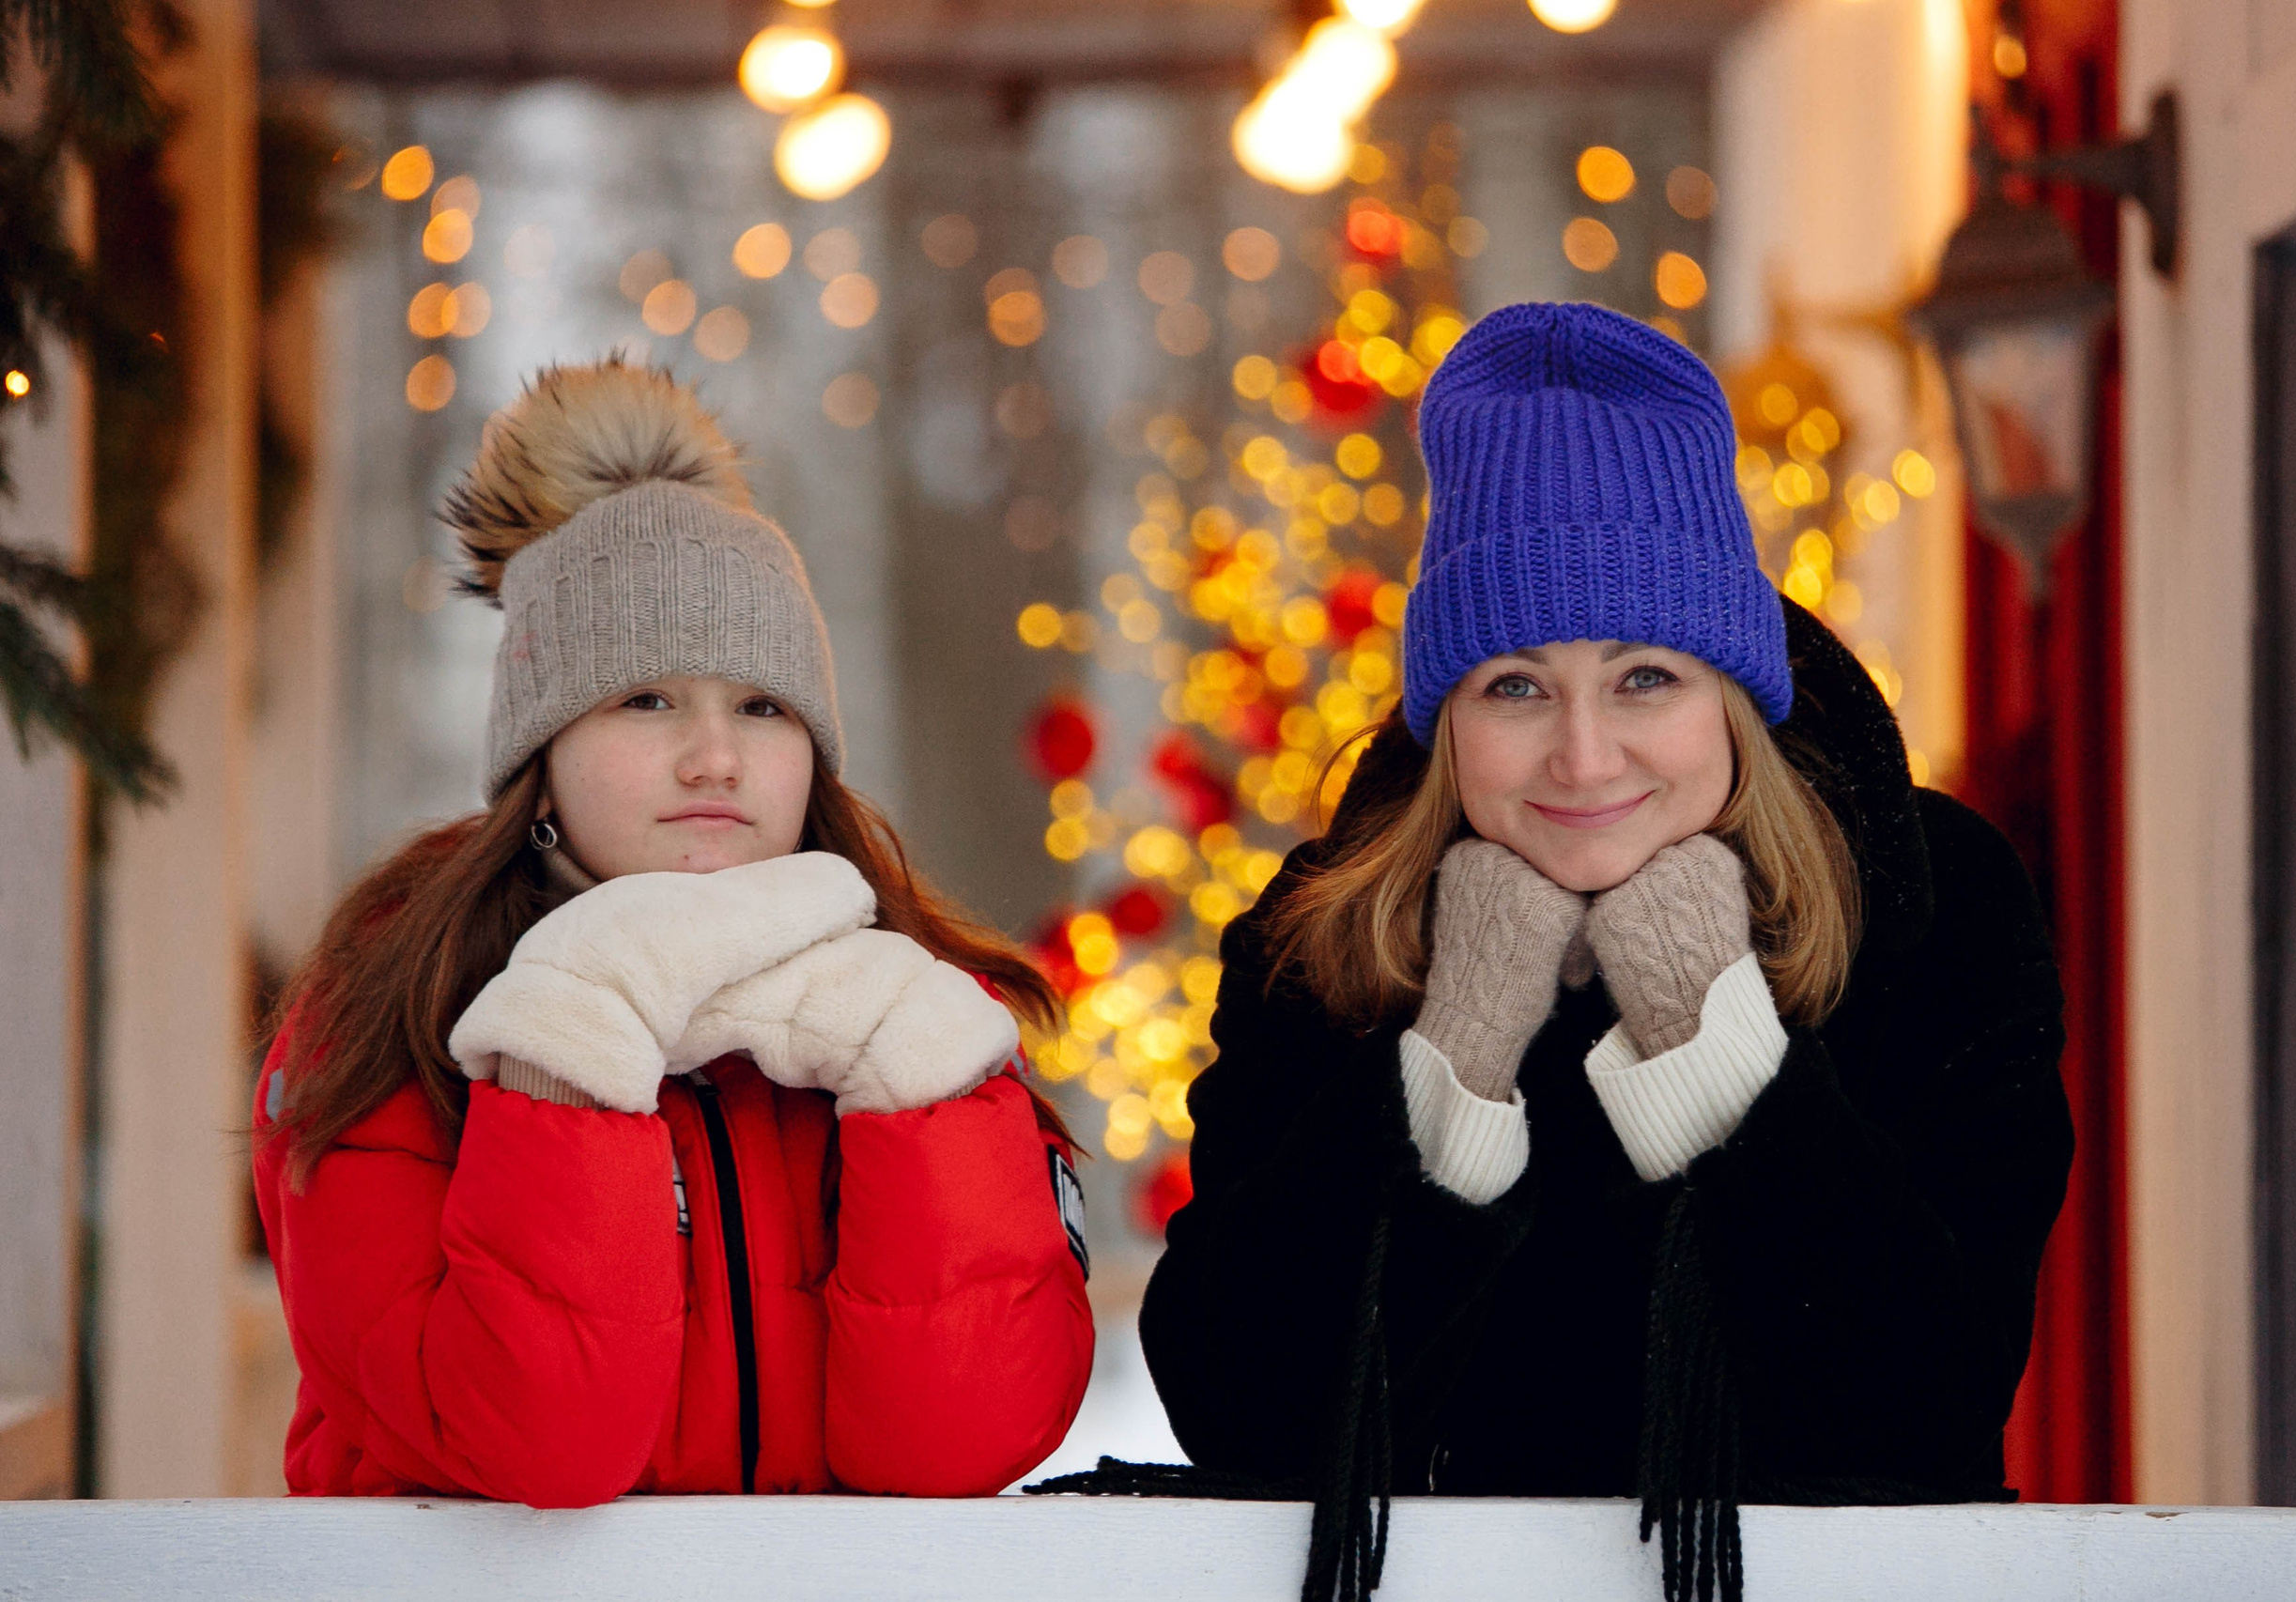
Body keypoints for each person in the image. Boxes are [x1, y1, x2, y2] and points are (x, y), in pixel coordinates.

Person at [1135, 304, 2073, 1602]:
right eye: (1515, 685)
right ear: (1447, 714)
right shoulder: (1327, 940)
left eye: (1646, 678)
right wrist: (1452, 1060)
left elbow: (1919, 1408)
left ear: (1731, 693)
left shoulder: (1927, 906)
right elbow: (1239, 1414)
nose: (1584, 755)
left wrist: (1718, 1038)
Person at [253, 360, 1093, 1506]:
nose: (717, 756)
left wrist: (917, 1086)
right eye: (645, 699)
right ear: (538, 757)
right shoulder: (391, 1011)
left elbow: (957, 1446)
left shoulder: (912, 1006)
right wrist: (575, 1025)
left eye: (762, 704)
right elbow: (531, 1444)